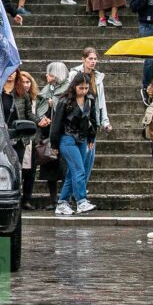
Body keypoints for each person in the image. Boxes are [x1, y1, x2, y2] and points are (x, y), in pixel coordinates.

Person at [50, 71, 98, 215]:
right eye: (81, 88)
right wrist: (54, 144)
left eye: (86, 88)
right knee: (79, 169)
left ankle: (63, 202)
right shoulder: (65, 101)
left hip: (82, 137)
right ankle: (81, 200)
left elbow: (93, 120)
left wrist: (91, 138)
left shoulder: (90, 99)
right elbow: (56, 124)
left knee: (73, 172)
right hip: (67, 138)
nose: (83, 91)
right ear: (74, 86)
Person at [72, 46, 112, 182]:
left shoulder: (98, 77)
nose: (93, 62)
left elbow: (101, 101)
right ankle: (75, 190)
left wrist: (105, 121)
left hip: (91, 121)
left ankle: (82, 188)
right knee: (78, 160)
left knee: (89, 160)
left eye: (95, 59)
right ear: (83, 59)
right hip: (76, 122)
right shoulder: (74, 74)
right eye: (90, 59)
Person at [34, 63, 70, 209]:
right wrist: (43, 116)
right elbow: (39, 107)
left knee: (64, 168)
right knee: (50, 167)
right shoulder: (47, 89)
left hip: (63, 132)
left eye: (49, 74)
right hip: (47, 132)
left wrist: (53, 103)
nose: (46, 76)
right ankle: (53, 200)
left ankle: (66, 198)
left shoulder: (67, 88)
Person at [2, 70, 37, 210]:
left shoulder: (22, 94)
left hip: (19, 136)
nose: (10, 74)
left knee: (18, 169)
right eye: (8, 72)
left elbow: (29, 114)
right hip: (2, 136)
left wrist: (39, 121)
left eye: (13, 72)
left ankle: (17, 198)